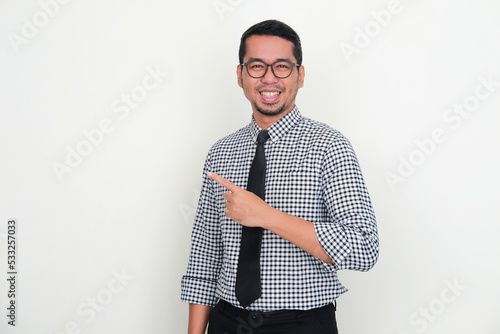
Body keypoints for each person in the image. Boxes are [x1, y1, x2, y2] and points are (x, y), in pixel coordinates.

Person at [181, 19, 379, 334]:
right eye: (256, 66)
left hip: (302, 324)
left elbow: (363, 248)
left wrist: (266, 216)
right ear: (240, 75)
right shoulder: (220, 153)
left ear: (300, 75)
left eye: (282, 67)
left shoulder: (330, 147)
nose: (269, 78)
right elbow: (205, 255)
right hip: (227, 322)